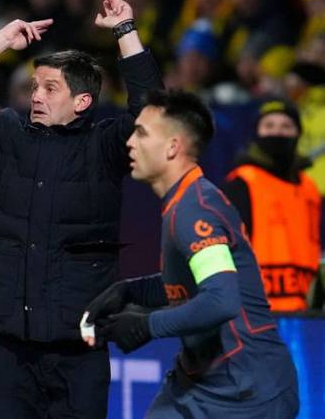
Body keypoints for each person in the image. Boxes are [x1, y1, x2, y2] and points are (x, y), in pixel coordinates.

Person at [0, 0, 163, 418]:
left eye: (50, 88)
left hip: (77, 350)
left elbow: (152, 112)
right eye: (34, 86)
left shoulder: (106, 148)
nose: (36, 95)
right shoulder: (3, 136)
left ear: (82, 101)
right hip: (6, 350)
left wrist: (126, 31)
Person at [80, 89, 299, 418]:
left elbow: (221, 300)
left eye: (141, 133)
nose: (130, 142)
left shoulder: (195, 210)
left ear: (172, 147)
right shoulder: (185, 200)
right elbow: (195, 283)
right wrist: (131, 292)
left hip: (247, 393)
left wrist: (147, 325)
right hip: (201, 381)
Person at [224, 99, 321, 311]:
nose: (277, 132)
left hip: (304, 310)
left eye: (286, 126)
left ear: (298, 134)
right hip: (256, 310)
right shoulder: (242, 182)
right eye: (269, 125)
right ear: (256, 133)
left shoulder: (309, 188)